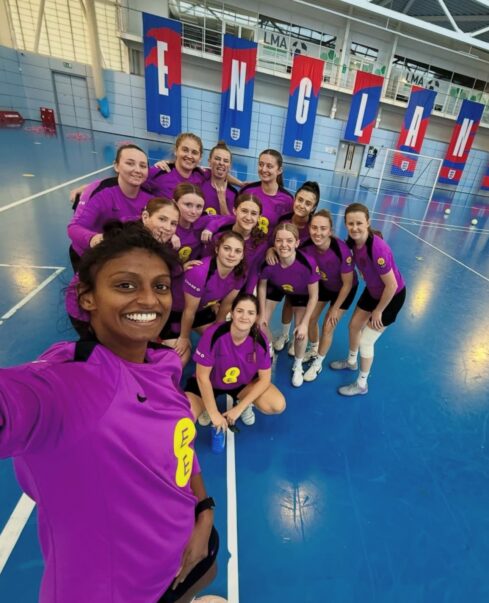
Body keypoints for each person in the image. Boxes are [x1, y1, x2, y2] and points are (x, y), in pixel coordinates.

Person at [0, 222, 218, 603]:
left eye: (160, 286)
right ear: (87, 297)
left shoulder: (163, 362)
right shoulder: (74, 385)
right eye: (126, 285)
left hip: (184, 555)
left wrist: (204, 509)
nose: (149, 300)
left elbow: (181, 444)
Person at [66, 199, 181, 335]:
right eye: (162, 219)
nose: (168, 228)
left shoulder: (153, 240)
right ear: (145, 217)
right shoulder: (125, 243)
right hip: (85, 306)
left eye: (173, 223)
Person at [330, 202, 406, 396]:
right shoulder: (353, 243)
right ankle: (351, 361)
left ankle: (362, 384)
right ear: (346, 224)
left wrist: (378, 310)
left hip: (391, 297)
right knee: (354, 326)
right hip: (373, 291)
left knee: (366, 341)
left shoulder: (377, 249)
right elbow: (341, 247)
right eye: (350, 223)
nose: (355, 227)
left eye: (359, 223)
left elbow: (392, 285)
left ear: (368, 223)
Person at [186, 293, 286, 431]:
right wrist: (214, 413)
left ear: (256, 317)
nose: (244, 316)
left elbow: (265, 379)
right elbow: (202, 376)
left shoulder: (260, 341)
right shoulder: (213, 334)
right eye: (240, 311)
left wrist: (240, 408)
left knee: (277, 404)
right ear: (232, 313)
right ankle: (207, 405)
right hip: (211, 383)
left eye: (250, 313)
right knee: (185, 416)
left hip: (242, 385)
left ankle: (242, 401)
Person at [67, 144, 154, 266]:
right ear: (116, 166)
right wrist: (95, 239)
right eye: (130, 163)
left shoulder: (150, 198)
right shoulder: (99, 192)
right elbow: (74, 227)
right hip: (90, 255)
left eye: (143, 166)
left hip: (120, 256)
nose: (137, 170)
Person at [166, 231, 246, 358]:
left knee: (224, 343)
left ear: (242, 255)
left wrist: (218, 331)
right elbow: (189, 310)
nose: (232, 254)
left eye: (237, 251)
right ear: (217, 249)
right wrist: (184, 337)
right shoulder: (199, 272)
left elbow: (226, 305)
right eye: (227, 248)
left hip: (200, 310)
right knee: (181, 358)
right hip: (174, 312)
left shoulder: (239, 274)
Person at [257, 223, 319, 387]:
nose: (284, 245)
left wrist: (304, 323)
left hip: (301, 294)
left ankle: (298, 365)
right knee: (260, 324)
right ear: (274, 243)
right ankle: (269, 346)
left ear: (297, 243)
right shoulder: (269, 262)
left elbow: (314, 296)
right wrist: (262, 314)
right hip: (277, 287)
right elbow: (262, 286)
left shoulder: (307, 263)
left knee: (300, 333)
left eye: (289, 241)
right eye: (279, 240)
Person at [301, 210, 358, 382]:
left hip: (345, 289)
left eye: (323, 228)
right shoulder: (306, 245)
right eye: (314, 228)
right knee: (310, 318)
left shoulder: (341, 250)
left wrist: (335, 309)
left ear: (330, 231)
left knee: (328, 325)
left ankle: (318, 363)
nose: (318, 232)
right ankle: (314, 348)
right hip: (325, 284)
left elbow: (347, 284)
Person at [267, 181, 321, 354]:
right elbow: (273, 240)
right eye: (300, 200)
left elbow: (325, 243)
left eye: (308, 203)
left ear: (313, 208)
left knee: (294, 305)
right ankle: (284, 335)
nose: (302, 205)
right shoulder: (283, 220)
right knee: (283, 303)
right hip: (282, 269)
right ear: (294, 199)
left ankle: (304, 342)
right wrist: (270, 249)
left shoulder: (314, 227)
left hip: (303, 275)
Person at [204, 193, 268, 293]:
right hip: (210, 286)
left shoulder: (261, 242)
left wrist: (247, 295)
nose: (248, 217)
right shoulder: (218, 235)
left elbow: (253, 271)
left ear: (259, 217)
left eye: (254, 213)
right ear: (235, 211)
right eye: (244, 211)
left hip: (237, 289)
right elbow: (206, 264)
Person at [239, 149, 294, 236]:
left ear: (279, 170)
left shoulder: (287, 200)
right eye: (261, 164)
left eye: (269, 166)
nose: (264, 169)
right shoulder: (247, 191)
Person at [148, 132, 207, 199]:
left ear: (200, 157)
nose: (189, 156)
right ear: (176, 151)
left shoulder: (202, 177)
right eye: (185, 150)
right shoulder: (158, 173)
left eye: (194, 152)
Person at [199, 141, 238, 215]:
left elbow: (230, 221)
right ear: (209, 162)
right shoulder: (199, 184)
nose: (221, 163)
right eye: (217, 159)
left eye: (226, 161)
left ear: (230, 166)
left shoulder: (233, 194)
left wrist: (222, 201)